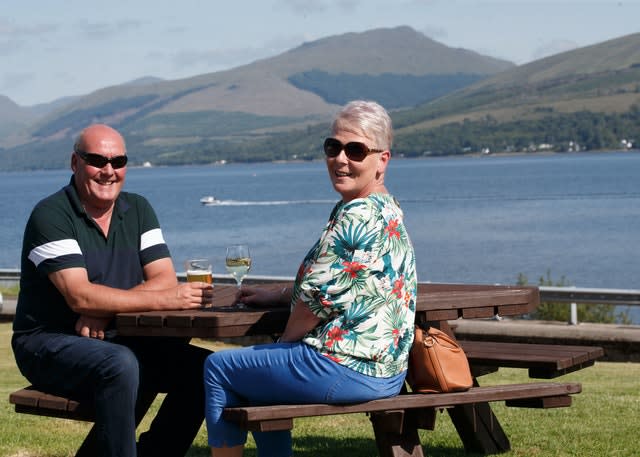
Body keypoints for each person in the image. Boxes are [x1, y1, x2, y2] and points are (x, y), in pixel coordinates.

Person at [203, 100, 417, 457]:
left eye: (356, 150)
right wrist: (279, 294)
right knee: (256, 377)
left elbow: (317, 302)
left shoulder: (355, 218)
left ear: (382, 160)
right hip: (387, 371)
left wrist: (285, 342)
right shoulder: (386, 210)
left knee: (219, 367)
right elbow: (350, 284)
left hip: (343, 366)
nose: (341, 159)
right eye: (333, 147)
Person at [12, 124, 213, 457]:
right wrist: (140, 301)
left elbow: (163, 276)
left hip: (117, 336)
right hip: (47, 343)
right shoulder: (50, 215)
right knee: (120, 365)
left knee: (206, 369)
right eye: (97, 160)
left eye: (118, 161)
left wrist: (104, 311)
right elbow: (79, 296)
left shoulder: (138, 209)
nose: (109, 171)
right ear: (75, 163)